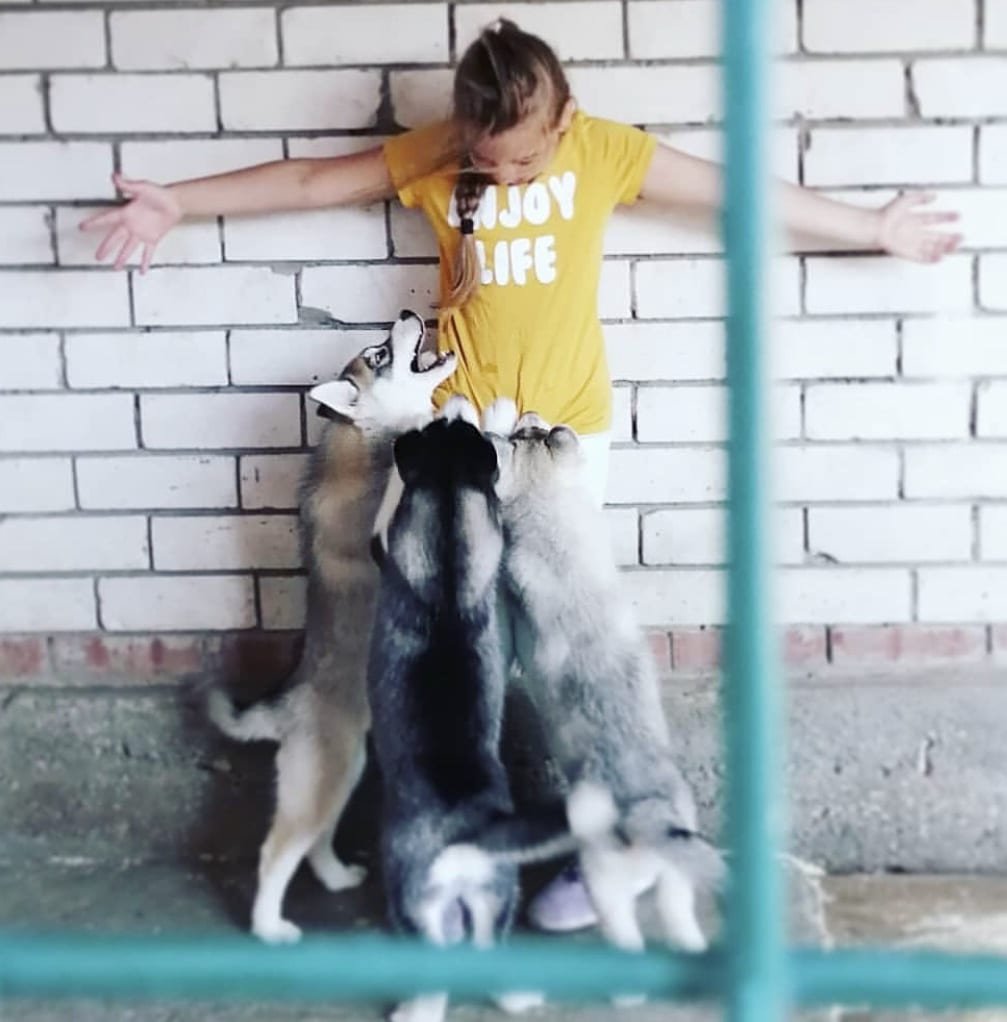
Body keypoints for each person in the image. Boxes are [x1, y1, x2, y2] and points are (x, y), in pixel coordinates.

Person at [82, 18, 961, 931]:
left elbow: (729, 188)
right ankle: (451, 851)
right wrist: (177, 202)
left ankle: (604, 850)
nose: (501, 177)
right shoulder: (440, 155)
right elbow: (312, 179)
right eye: (486, 162)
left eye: (522, 162)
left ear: (563, 117)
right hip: (451, 448)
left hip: (559, 449)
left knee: (574, 660)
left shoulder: (601, 150)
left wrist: (872, 226)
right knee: (458, 660)